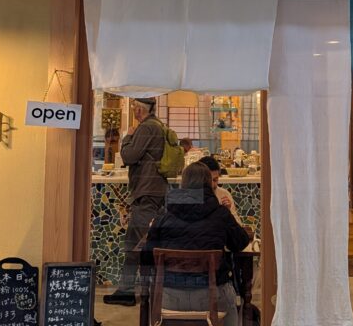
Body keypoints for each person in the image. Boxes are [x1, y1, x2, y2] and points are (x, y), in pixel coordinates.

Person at [142, 163, 251, 326]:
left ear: (183, 184)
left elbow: (146, 257)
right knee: (232, 300)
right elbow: (240, 243)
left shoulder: (164, 216)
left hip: (169, 297)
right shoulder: (221, 213)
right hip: (212, 296)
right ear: (209, 184)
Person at [103, 97, 169, 306]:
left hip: (146, 193)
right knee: (139, 244)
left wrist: (128, 137)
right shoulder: (158, 125)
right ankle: (132, 291)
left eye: (134, 107)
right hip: (154, 191)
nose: (133, 110)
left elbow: (129, 156)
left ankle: (136, 293)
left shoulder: (146, 128)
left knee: (139, 244)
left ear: (140, 109)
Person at [198, 156, 241, 223]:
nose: (212, 185)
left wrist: (227, 212)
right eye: (208, 180)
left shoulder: (224, 195)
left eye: (215, 180)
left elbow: (238, 224)